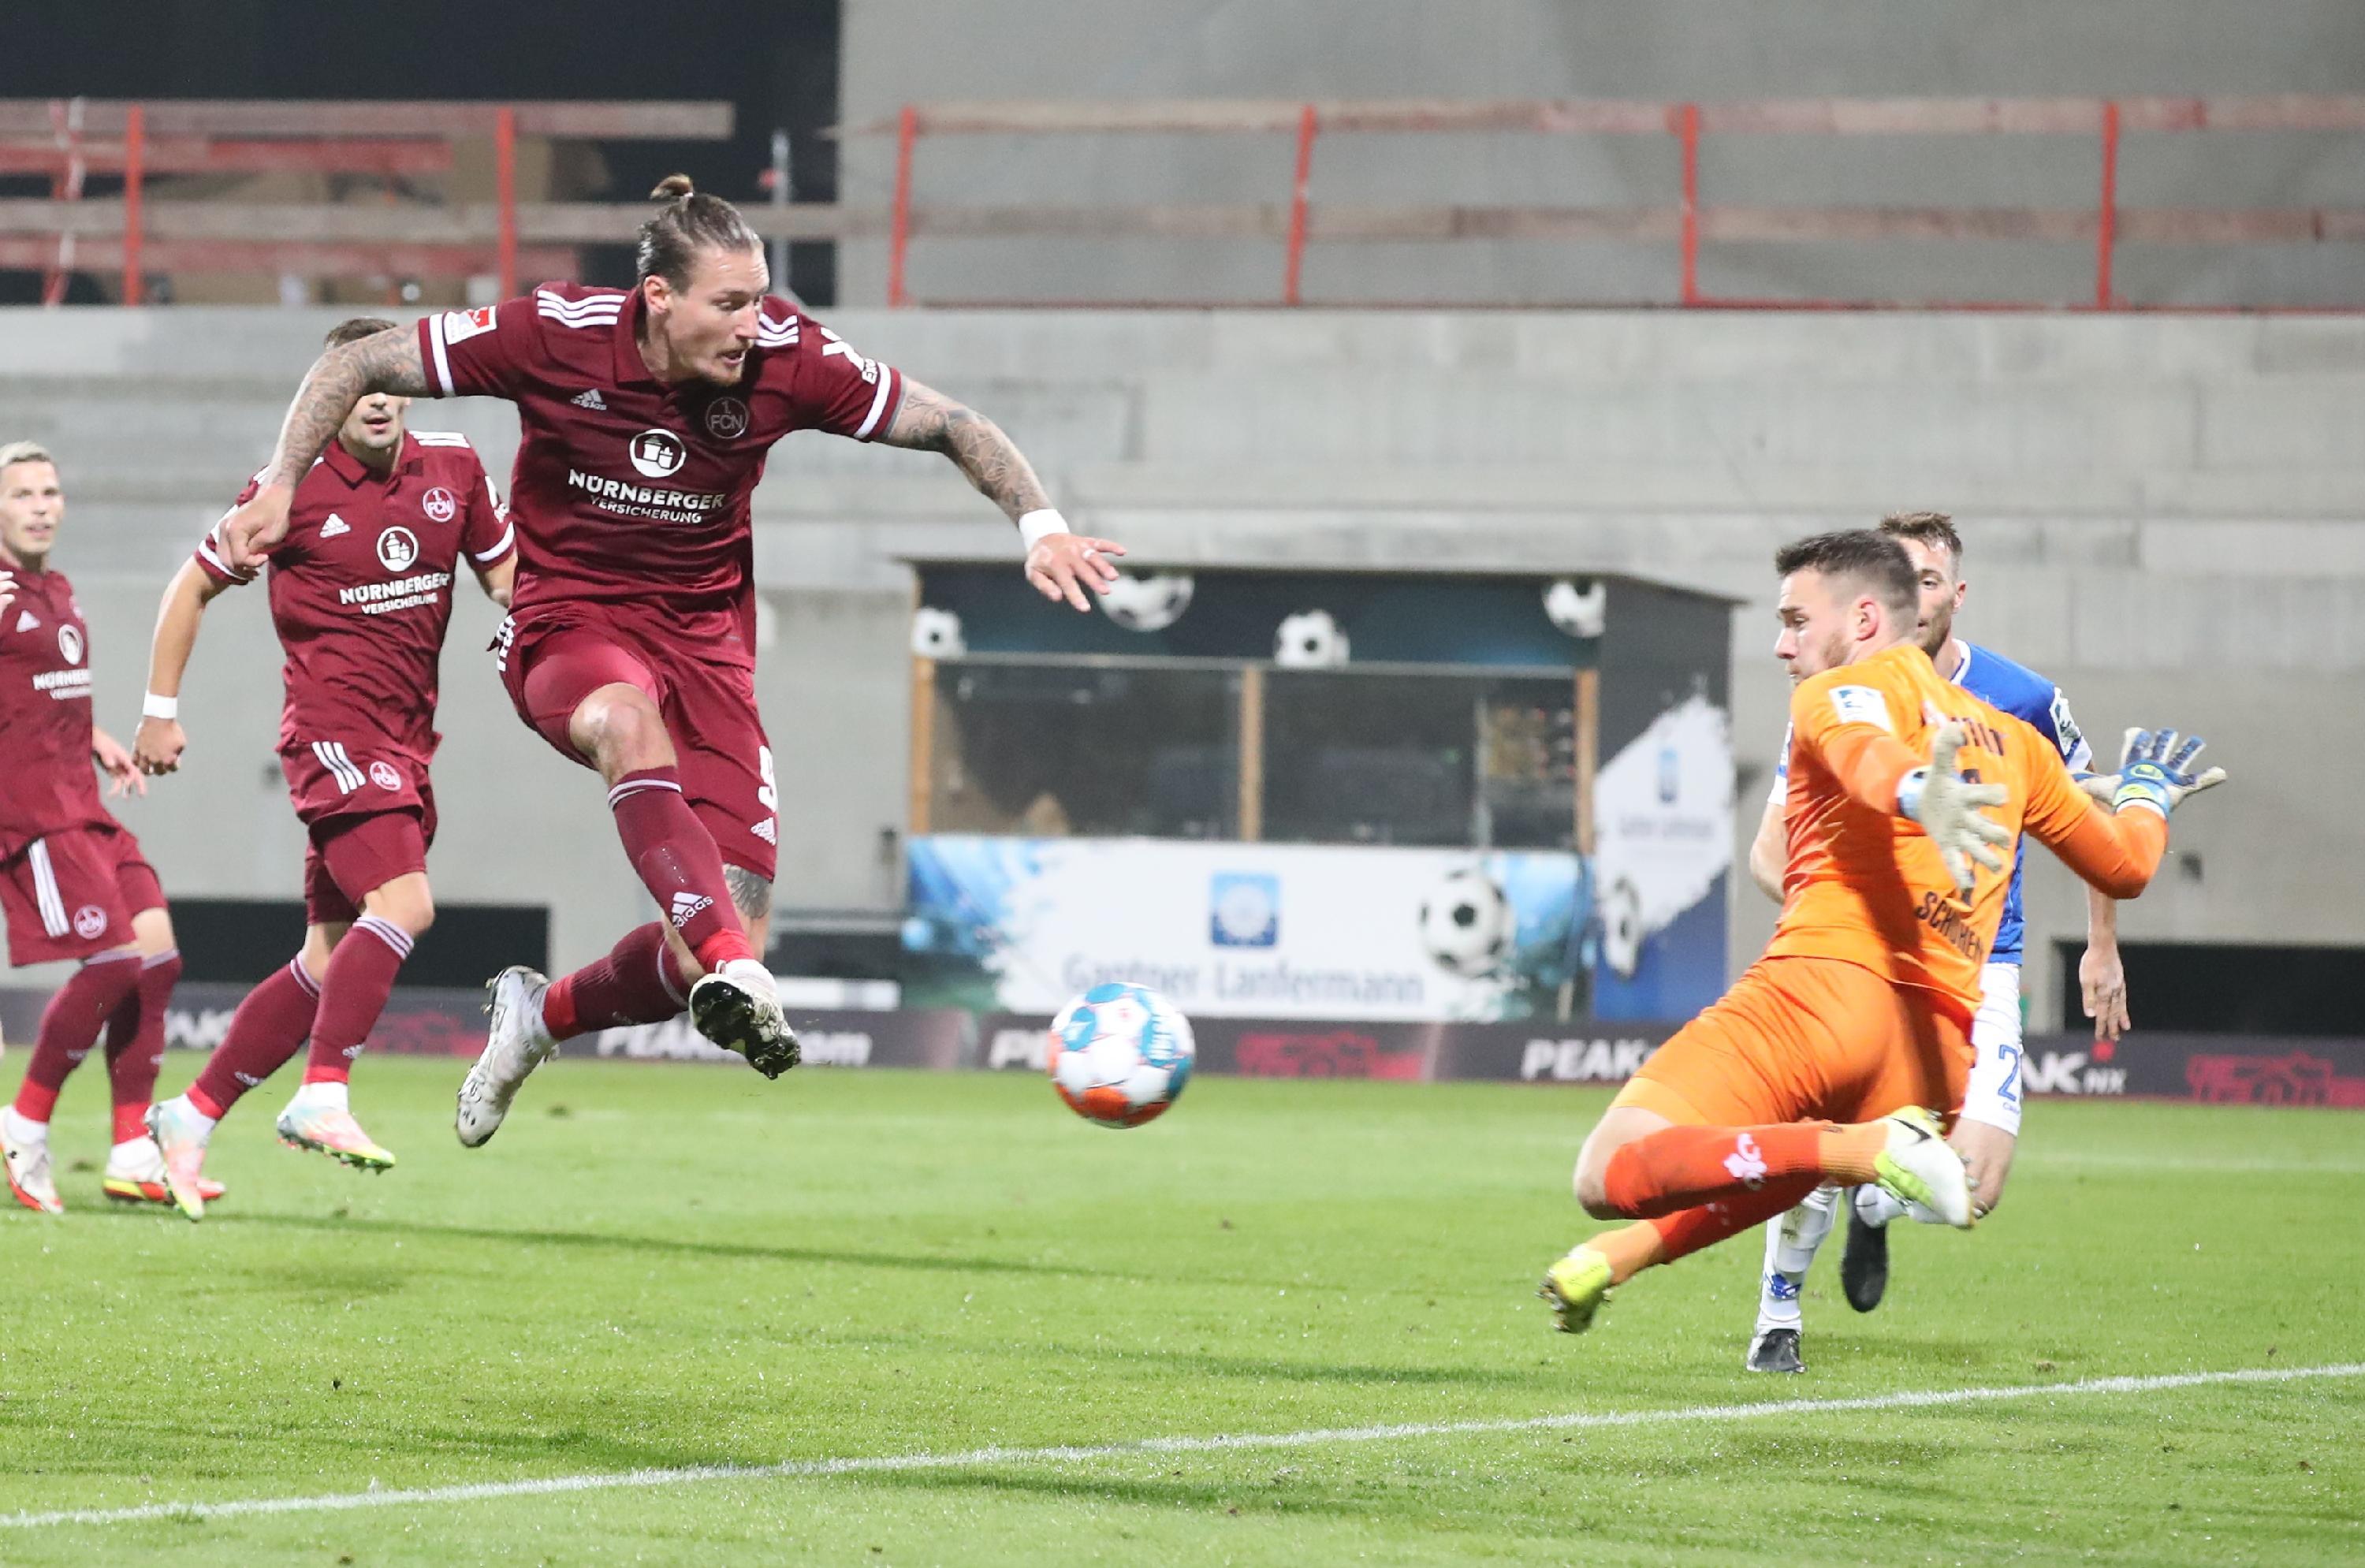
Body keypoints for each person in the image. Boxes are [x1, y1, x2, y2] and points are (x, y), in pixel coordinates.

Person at [216, 176, 1122, 1145]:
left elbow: (951, 423)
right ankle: (736, 963)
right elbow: (359, 362)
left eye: (762, 299)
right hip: (570, 621)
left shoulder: (789, 359)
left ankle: (543, 1016)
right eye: (730, 303)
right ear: (658, 298)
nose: (753, 324)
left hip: (709, 652)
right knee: (624, 729)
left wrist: (1041, 525)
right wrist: (279, 485)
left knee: (696, 968)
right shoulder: (553, 334)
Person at [1537, 529, 2222, 1337]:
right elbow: (2127, 867)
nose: (1781, 643)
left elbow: (1861, 749)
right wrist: (2147, 796)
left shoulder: (1837, 692)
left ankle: (1869, 1154)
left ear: (1864, 619)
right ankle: (1616, 1261)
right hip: (1929, 1056)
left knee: (1608, 1169)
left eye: (1796, 619)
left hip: (1820, 998)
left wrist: (1912, 789)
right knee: (1797, 1159)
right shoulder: (2019, 746)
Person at [135, 318, 517, 1220]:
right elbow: (190, 585)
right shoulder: (288, 492)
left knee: (323, 959)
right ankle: (326, 1090)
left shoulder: (454, 469)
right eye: (358, 385)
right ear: (327, 398)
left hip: (408, 747)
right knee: (406, 906)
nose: (379, 399)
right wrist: (160, 711)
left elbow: (508, 579)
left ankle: (188, 1117)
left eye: (392, 383)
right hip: (332, 741)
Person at [1740, 512, 2120, 1373]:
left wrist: (2101, 945)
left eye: (1931, 578)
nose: (1917, 593)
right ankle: (1777, 1315)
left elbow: (2092, 811)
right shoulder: (1841, 700)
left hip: (1982, 964)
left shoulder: (2022, 700)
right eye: (1900, 577)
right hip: (1861, 965)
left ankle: (1879, 1201)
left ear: (1953, 593)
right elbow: (1770, 851)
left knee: (1971, 1192)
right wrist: (1838, 917)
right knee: (1815, 1134)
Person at [0, 442, 190, 1215]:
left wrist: (98, 736)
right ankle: (26, 1125)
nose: (43, 505)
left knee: (158, 958)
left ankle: (130, 1150)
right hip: (33, 815)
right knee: (113, 960)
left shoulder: (55, 589)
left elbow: (42, 695)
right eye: (24, 495)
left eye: (51, 491)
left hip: (85, 801)